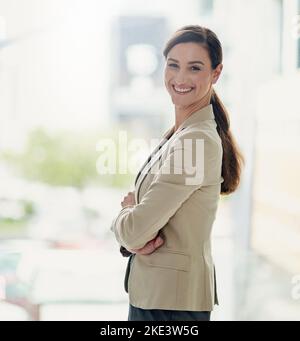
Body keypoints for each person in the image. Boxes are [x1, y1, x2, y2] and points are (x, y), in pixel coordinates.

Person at [111, 25, 244, 321]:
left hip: (169, 305)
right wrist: (134, 230)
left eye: (194, 68)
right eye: (173, 65)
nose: (180, 78)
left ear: (215, 74)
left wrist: (126, 213)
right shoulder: (182, 134)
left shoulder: (195, 140)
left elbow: (134, 230)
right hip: (162, 298)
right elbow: (137, 233)